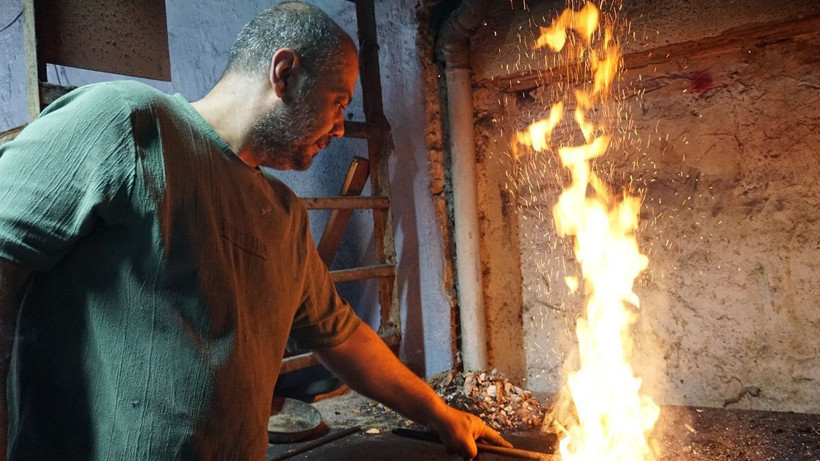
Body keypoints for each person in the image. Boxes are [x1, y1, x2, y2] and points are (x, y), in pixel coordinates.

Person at [0, 2, 510, 460]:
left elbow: (344, 335)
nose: (339, 127)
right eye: (337, 102)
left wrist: (439, 413)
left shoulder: (283, 214)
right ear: (284, 73)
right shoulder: (127, 125)